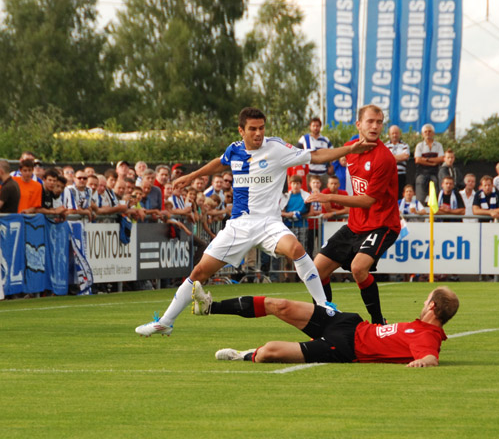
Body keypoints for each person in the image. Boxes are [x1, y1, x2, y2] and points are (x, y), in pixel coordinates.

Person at [135, 107, 375, 337]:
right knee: (199, 272)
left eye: (261, 128)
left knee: (296, 249)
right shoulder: (235, 149)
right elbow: (221, 161)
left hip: (269, 223)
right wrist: (193, 175)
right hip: (239, 225)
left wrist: (350, 149)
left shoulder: (277, 148)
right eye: (252, 129)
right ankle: (165, 323)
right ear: (241, 130)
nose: (258, 133)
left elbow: (315, 155)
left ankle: (323, 306)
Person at [192, 283, 459, 367]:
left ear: (432, 307)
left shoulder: (430, 335)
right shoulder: (420, 327)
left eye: (427, 299)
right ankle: (210, 307)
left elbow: (430, 357)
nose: (424, 302)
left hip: (344, 347)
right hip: (349, 322)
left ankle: (243, 355)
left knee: (268, 352)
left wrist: (423, 363)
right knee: (279, 304)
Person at [306, 105, 401, 325]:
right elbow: (321, 157)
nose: (375, 126)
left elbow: (367, 201)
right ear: (358, 124)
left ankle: (378, 322)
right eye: (370, 121)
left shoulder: (384, 158)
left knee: (358, 268)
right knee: (316, 271)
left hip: (382, 224)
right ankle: (326, 323)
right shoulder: (351, 148)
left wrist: (329, 197)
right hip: (355, 225)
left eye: (379, 122)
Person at [297, 117, 334, 186]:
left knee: (325, 192)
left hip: (323, 173)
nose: (315, 128)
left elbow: (332, 154)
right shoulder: (304, 139)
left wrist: (331, 165)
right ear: (310, 127)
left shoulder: (325, 140)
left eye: (317, 126)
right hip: (309, 173)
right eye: (313, 126)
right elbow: (297, 152)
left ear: (320, 127)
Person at [414, 123, 444, 203]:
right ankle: (420, 205)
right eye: (425, 131)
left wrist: (425, 159)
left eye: (429, 131)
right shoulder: (419, 146)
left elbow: (441, 159)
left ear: (433, 133)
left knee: (436, 187)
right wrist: (432, 162)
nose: (427, 133)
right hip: (422, 173)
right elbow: (418, 160)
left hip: (435, 173)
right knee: (420, 183)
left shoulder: (439, 145)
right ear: (422, 134)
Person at [384, 125, 411, 198]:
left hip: (400, 175)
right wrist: (399, 157)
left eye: (396, 133)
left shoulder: (405, 145)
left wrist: (390, 158)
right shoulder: (385, 146)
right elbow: (384, 159)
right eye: (393, 133)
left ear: (400, 134)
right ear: (389, 134)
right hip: (388, 175)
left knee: (399, 196)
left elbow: (406, 156)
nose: (394, 135)